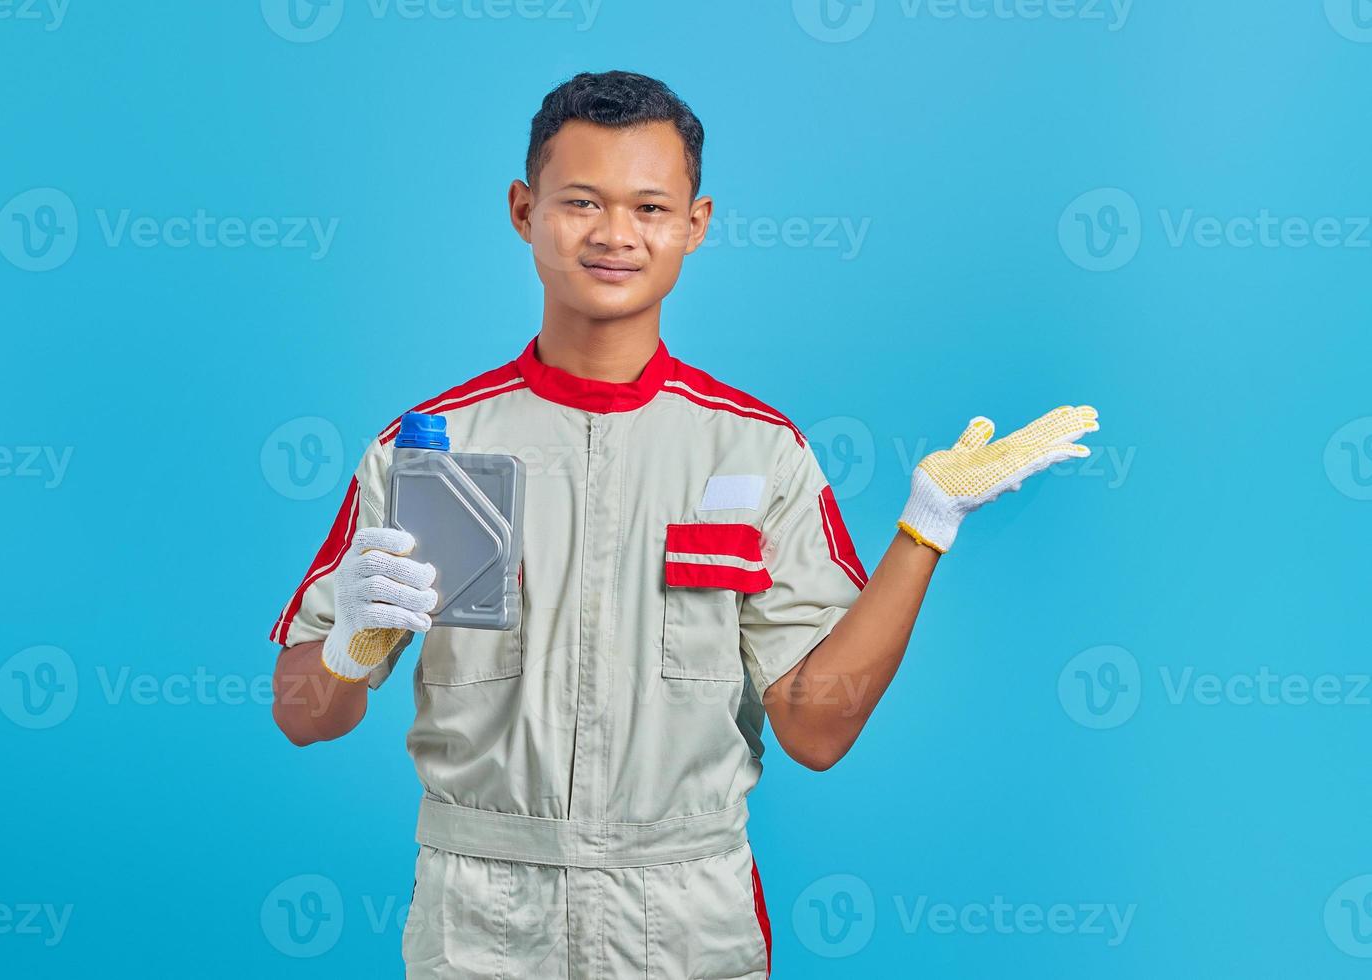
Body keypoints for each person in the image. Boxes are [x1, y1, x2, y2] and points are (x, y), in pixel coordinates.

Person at [269, 69, 1099, 978]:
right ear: (523, 208)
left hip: (684, 922)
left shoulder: (758, 452)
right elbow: (304, 717)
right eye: (581, 201)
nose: (616, 234)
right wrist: (348, 646)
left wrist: (924, 529)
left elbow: (816, 733)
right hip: (481, 925)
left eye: (650, 207)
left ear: (694, 224)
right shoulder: (426, 450)